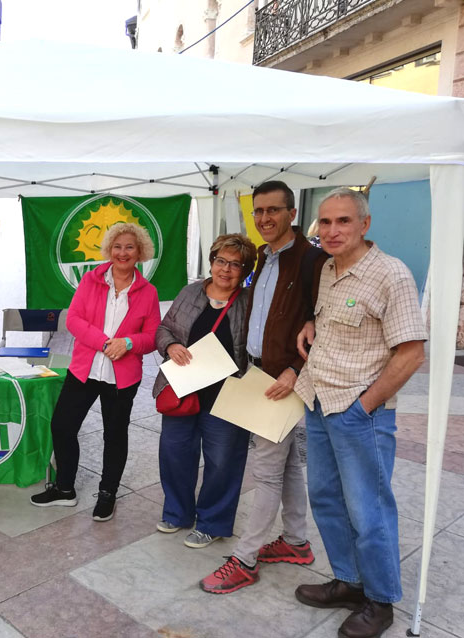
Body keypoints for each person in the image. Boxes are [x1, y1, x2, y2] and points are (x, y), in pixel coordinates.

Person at [293, 188, 426, 638]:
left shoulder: (391, 274)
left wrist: (363, 407)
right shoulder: (328, 269)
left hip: (357, 412)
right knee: (326, 499)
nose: (332, 231)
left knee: (369, 510)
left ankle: (381, 601)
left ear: (365, 224)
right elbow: (334, 321)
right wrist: (311, 323)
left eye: (344, 221)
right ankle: (349, 582)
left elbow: (411, 354)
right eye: (326, 222)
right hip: (319, 401)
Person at [200, 180, 326, 593]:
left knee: (267, 473)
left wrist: (295, 369)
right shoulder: (264, 256)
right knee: (287, 467)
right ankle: (296, 541)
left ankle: (245, 559)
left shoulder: (311, 260)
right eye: (259, 211)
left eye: (273, 210)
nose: (265, 218)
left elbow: (322, 322)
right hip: (258, 374)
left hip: (281, 380)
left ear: (292, 213)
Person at [30, 222, 161, 521]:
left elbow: (153, 336)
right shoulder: (91, 280)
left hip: (122, 377)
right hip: (84, 370)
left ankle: (107, 493)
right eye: (117, 246)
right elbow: (74, 320)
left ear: (140, 252)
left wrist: (128, 343)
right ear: (109, 250)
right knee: (62, 426)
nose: (122, 253)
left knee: (114, 436)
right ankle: (64, 489)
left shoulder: (148, 292)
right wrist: (104, 343)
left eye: (129, 247)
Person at [152, 233, 257, 548]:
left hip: (226, 396)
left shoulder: (250, 302)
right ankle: (177, 513)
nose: (226, 269)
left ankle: (212, 523)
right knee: (175, 454)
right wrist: (170, 346)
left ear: (245, 271)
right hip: (183, 390)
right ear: (211, 262)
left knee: (223, 461)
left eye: (235, 265)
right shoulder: (189, 293)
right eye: (221, 261)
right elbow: (163, 328)